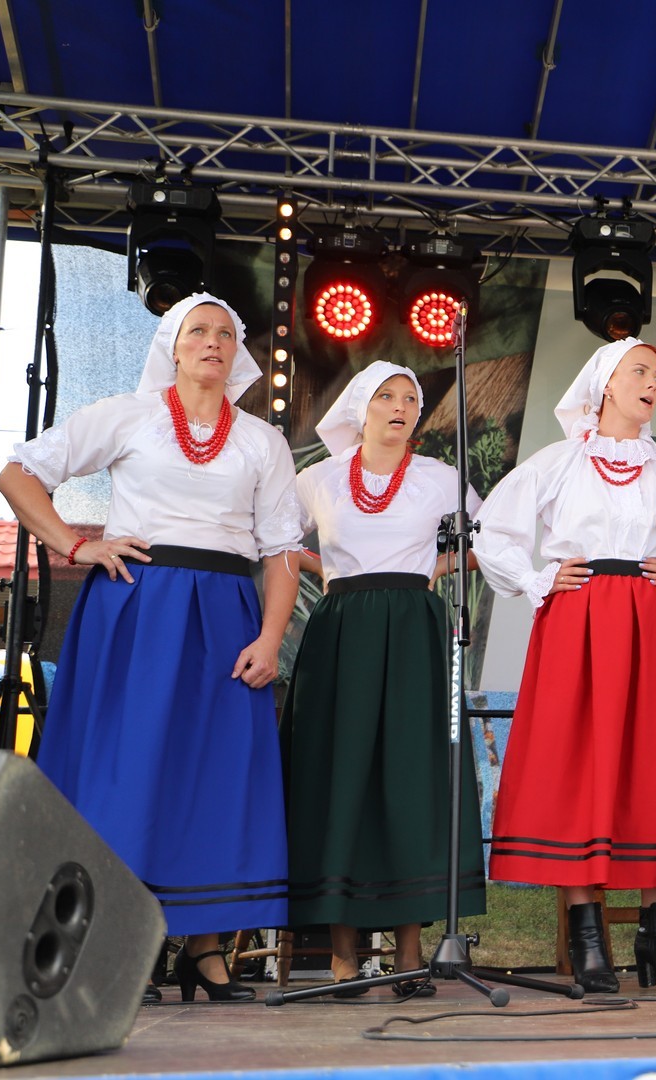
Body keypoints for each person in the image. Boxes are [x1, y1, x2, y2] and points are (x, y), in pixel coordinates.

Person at [0, 293, 302, 1003]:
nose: (213, 341)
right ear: (171, 344)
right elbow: (17, 473)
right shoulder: (128, 415)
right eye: (198, 330)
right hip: (138, 605)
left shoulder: (262, 441)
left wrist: (270, 636)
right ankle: (116, 948)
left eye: (225, 333)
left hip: (226, 614)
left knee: (217, 772)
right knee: (126, 772)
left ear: (238, 352)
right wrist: (74, 543)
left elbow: (283, 548)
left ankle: (205, 951)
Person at [473, 338, 656, 993]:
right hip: (578, 620)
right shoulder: (559, 461)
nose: (652, 382)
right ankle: (588, 938)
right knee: (579, 766)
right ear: (606, 383)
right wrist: (537, 578)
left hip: (650, 619)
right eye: (640, 371)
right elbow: (492, 530)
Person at [281, 361, 486, 998]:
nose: (400, 407)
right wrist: (326, 568)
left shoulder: (440, 478)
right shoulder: (318, 478)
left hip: (416, 629)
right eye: (387, 397)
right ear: (360, 407)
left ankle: (410, 955)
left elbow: (488, 539)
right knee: (340, 776)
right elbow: (276, 541)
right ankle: (342, 956)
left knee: (411, 777)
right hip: (343, 630)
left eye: (410, 399)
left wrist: (433, 567)